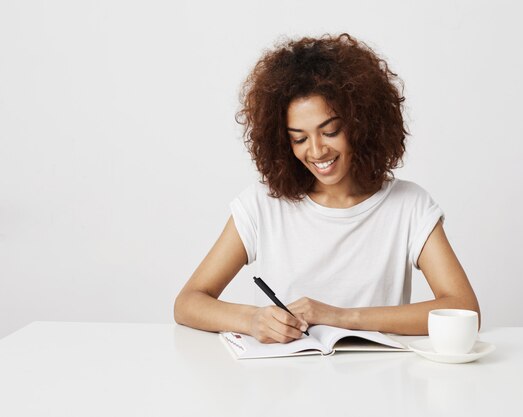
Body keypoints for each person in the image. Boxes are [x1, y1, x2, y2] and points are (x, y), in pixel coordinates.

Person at [174, 33, 480, 344]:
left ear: (361, 123)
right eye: (299, 138)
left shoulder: (409, 205)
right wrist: (253, 320)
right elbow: (188, 302)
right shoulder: (262, 205)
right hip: (283, 385)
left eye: (330, 131)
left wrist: (343, 317)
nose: (317, 150)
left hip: (382, 385)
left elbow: (464, 308)